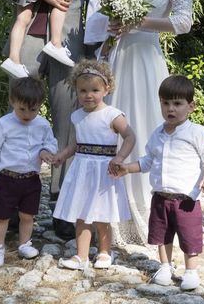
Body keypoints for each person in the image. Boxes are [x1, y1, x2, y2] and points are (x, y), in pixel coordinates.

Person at [0, 0, 103, 240]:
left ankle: (62, 208)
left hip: (68, 44)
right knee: (21, 117)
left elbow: (101, 0)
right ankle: (10, 207)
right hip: (28, 39)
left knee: (66, 125)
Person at [106, 0, 194, 245]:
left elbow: (184, 21)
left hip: (145, 57)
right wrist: (116, 21)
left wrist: (139, 22)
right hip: (120, 54)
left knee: (140, 128)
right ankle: (108, 216)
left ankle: (143, 218)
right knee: (113, 126)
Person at [115, 75, 204, 291]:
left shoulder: (196, 133)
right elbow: (147, 161)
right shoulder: (157, 135)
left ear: (191, 106)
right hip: (161, 197)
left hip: (186, 198)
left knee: (189, 236)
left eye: (177, 104)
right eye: (166, 103)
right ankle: (164, 266)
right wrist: (127, 168)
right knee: (162, 234)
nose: (171, 108)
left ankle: (191, 271)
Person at [51, 60, 136, 270]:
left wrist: (120, 158)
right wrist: (62, 155)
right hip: (82, 169)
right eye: (83, 91)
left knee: (102, 214)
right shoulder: (77, 116)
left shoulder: (112, 115)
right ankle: (81, 256)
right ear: (76, 91)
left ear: (107, 89)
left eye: (95, 90)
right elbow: (76, 143)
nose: (89, 95)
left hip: (103, 170)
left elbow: (130, 137)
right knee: (81, 213)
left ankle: (105, 252)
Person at [0, 77, 58, 266]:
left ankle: (24, 243)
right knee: (1, 215)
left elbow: (50, 142)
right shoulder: (3, 124)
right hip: (7, 178)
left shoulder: (42, 124)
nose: (27, 114)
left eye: (33, 110)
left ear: (40, 105)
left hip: (31, 179)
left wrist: (46, 152)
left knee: (28, 215)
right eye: (22, 109)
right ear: (12, 101)